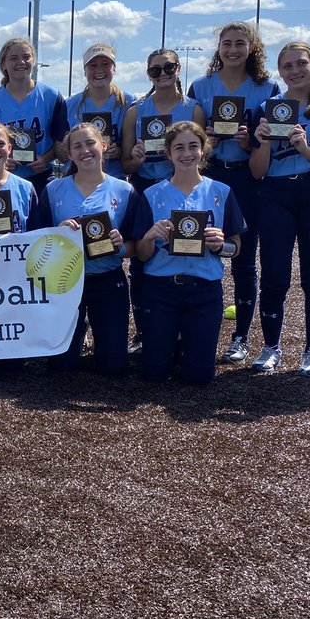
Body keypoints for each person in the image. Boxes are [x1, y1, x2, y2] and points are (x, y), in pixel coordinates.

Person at [247, 42, 310, 374]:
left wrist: (305, 149)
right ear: (280, 71)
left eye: (301, 63)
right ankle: (271, 346)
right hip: (275, 193)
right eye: (287, 66)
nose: (295, 71)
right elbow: (257, 170)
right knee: (274, 275)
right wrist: (264, 142)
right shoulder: (267, 107)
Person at [187, 22, 280, 364]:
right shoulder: (201, 85)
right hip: (208, 175)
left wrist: (250, 140)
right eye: (226, 43)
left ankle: (240, 337)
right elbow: (191, 134)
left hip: (246, 179)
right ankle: (191, 328)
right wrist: (206, 139)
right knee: (194, 246)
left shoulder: (267, 88)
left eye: (240, 44)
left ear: (252, 48)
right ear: (218, 48)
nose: (232, 50)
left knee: (243, 259)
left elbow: (273, 135)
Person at [134, 120, 246, 385]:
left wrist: (221, 245)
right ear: (169, 152)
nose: (187, 154)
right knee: (154, 375)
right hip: (161, 289)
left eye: (193, 146)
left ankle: (186, 341)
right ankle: (171, 341)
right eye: (179, 148)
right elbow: (140, 254)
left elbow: (236, 247)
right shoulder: (152, 194)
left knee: (199, 378)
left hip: (204, 291)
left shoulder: (221, 191)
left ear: (204, 149)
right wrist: (150, 236)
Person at [121, 49, 206, 354]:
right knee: (144, 263)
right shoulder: (135, 110)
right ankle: (144, 332)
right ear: (148, 75)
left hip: (182, 188)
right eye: (155, 70)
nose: (163, 73)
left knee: (185, 254)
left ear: (178, 68)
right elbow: (127, 165)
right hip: (146, 188)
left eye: (168, 67)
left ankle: (183, 332)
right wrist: (137, 159)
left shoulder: (194, 109)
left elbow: (199, 156)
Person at [34, 122, 137, 376]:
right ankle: (80, 327)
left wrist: (119, 246)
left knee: (114, 368)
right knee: (60, 367)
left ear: (103, 146)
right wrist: (57, 233)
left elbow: (138, 247)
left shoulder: (125, 190)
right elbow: (37, 241)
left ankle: (92, 324)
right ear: (69, 154)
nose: (85, 150)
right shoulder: (53, 189)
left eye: (90, 143)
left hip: (108, 280)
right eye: (77, 146)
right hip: (67, 282)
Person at [0, 37, 68, 196]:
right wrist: (0, 160)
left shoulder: (52, 96)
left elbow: (59, 141)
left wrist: (45, 159)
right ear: (3, 64)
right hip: (4, 179)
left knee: (44, 221)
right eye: (13, 58)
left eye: (26, 57)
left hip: (42, 177)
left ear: (34, 60)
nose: (21, 62)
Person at [65, 44, 134, 180]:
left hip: (114, 179)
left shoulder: (129, 103)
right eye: (93, 65)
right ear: (85, 71)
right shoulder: (70, 105)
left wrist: (119, 152)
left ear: (114, 68)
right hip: (78, 179)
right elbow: (62, 149)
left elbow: (135, 147)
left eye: (105, 64)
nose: (99, 70)